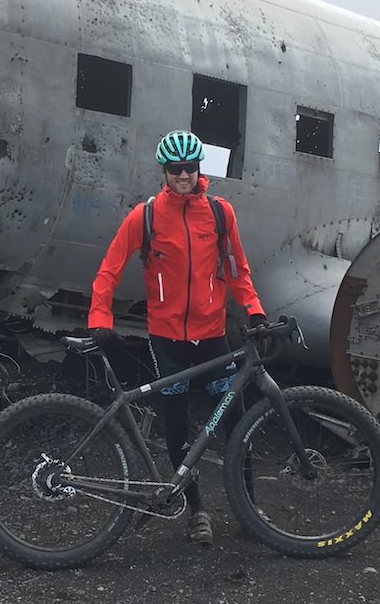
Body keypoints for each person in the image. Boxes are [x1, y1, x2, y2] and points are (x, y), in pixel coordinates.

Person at [88, 130, 266, 546]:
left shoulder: (220, 214)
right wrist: (99, 315)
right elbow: (109, 270)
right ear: (164, 172)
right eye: (175, 169)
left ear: (199, 169)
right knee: (177, 430)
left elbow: (238, 270)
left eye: (189, 168)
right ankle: (198, 511)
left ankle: (250, 508)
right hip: (167, 339)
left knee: (237, 423)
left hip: (212, 337)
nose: (183, 175)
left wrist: (255, 310)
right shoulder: (145, 217)